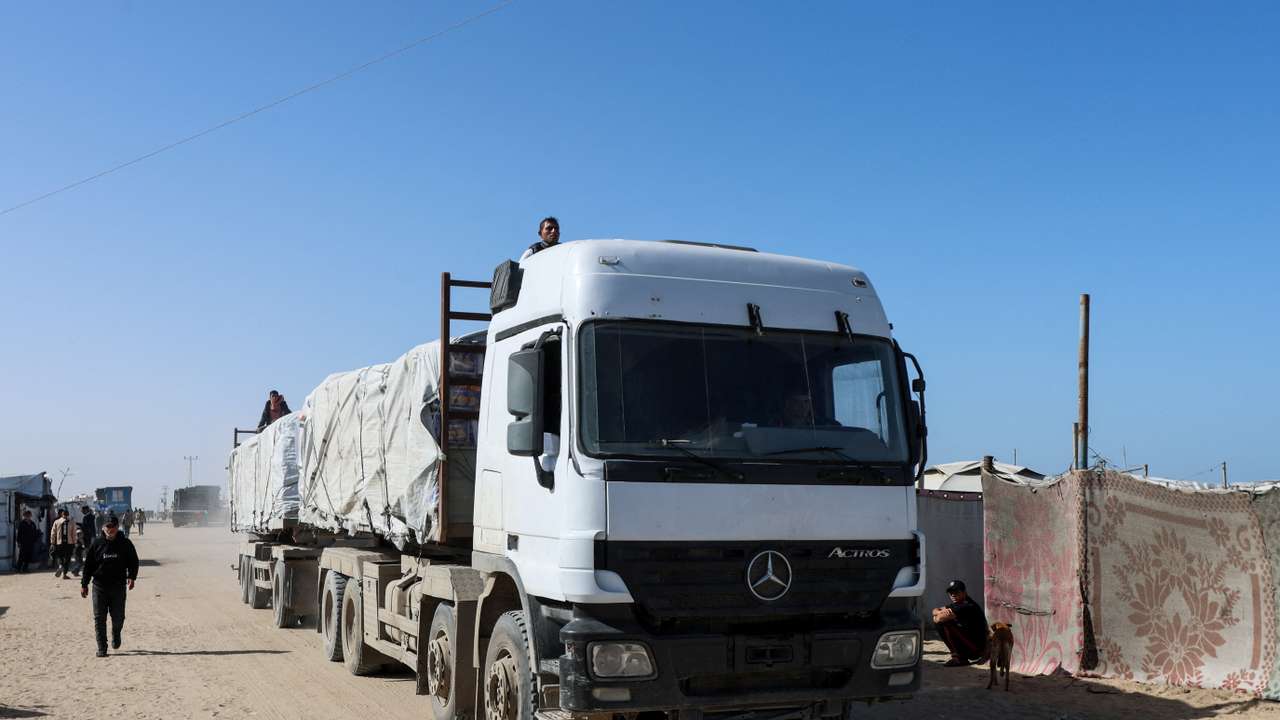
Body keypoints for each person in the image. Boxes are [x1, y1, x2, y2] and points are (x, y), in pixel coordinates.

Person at [80, 515, 139, 657]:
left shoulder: (125, 543)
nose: (110, 529)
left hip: (118, 586)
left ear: (117, 527)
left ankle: (116, 633)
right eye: (108, 526)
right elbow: (88, 565)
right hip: (99, 586)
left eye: (113, 526)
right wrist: (84, 584)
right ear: (103, 528)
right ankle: (102, 648)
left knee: (118, 617)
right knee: (99, 618)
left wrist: (132, 577)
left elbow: (133, 561)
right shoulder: (97, 544)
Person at [932, 580, 989, 666]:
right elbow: (934, 610)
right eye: (950, 592)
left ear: (964, 592)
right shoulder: (958, 603)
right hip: (970, 644)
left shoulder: (967, 605)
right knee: (942, 621)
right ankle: (960, 656)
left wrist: (937, 616)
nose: (953, 595)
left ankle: (959, 658)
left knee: (944, 623)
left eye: (956, 592)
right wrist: (938, 613)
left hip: (976, 649)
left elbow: (939, 618)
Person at [50, 509, 76, 578]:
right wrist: (74, 543)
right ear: (68, 515)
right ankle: (64, 574)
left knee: (60, 557)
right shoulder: (72, 522)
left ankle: (61, 565)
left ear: (62, 514)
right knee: (67, 558)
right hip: (69, 543)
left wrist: (52, 542)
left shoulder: (57, 522)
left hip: (59, 543)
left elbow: (53, 533)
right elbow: (74, 534)